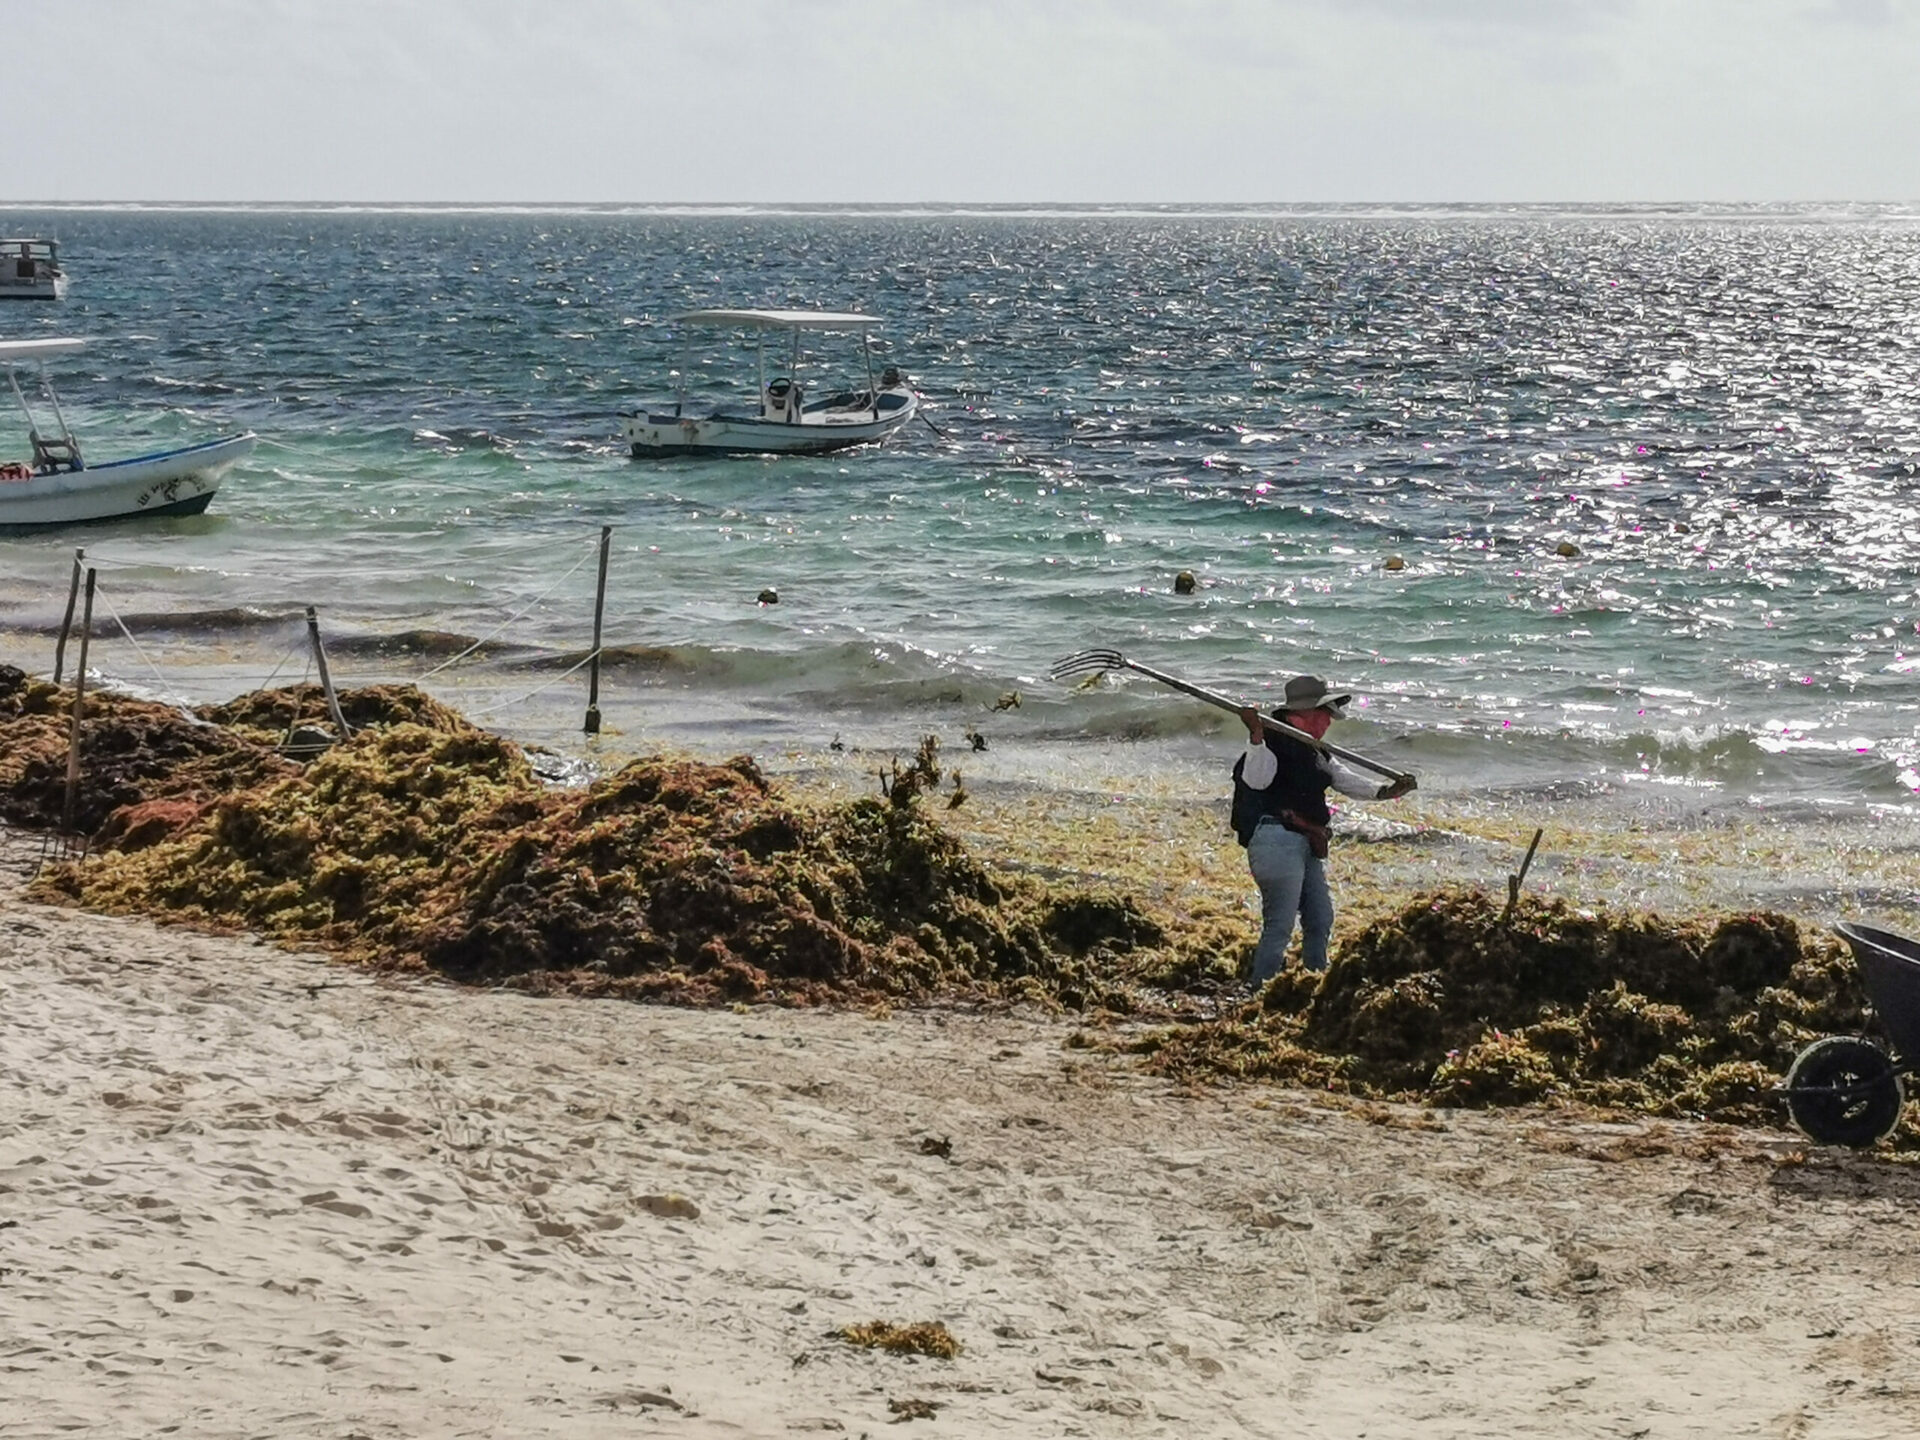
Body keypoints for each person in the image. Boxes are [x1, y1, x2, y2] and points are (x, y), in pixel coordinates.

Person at [1232, 675, 1415, 982]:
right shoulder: (1270, 741)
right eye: (1325, 715)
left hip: (1306, 842)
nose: (1329, 723)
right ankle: (1259, 992)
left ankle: (1312, 984)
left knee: (1320, 918)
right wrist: (1256, 737)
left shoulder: (1316, 751)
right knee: (1280, 925)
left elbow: (1345, 780)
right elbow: (1257, 780)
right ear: (1305, 715)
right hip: (1275, 839)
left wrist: (1390, 790)